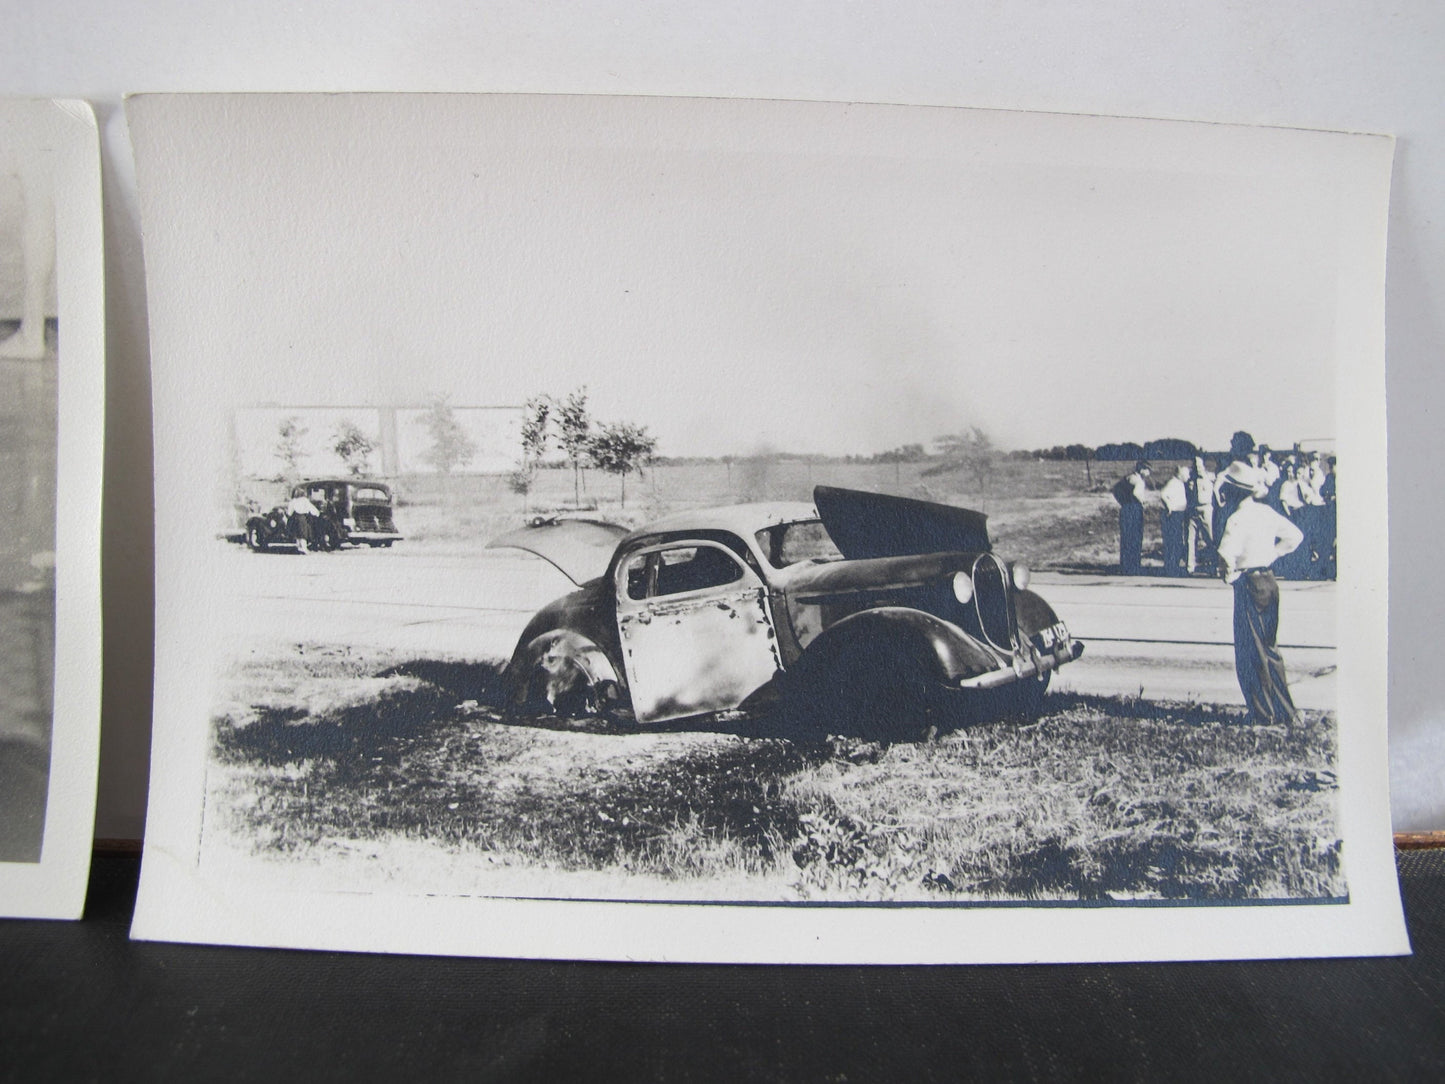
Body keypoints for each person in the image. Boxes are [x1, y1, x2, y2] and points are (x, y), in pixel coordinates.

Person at [1214, 462, 1305, 726]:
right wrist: (1273, 554)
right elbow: (1295, 537)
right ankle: (1285, 710)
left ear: (1231, 492)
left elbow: (1225, 553)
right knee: (1270, 648)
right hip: (1269, 580)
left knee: (1250, 651)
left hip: (1249, 583)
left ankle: (1263, 715)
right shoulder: (1266, 512)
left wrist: (1229, 576)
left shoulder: (1236, 519)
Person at [1113, 460, 1151, 575]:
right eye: (1148, 470)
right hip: (1134, 509)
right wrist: (1143, 502)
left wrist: (1123, 502)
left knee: (1126, 538)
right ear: (1142, 469)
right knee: (1135, 537)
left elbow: (1116, 490)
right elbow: (1136, 494)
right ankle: (1134, 566)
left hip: (1126, 509)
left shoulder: (1128, 477)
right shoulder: (1139, 481)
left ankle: (1125, 566)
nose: (1149, 473)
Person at [1158, 463, 1190, 576]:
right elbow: (1163, 494)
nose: (1188, 476)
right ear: (1180, 474)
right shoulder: (1173, 482)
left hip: (1178, 513)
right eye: (1186, 474)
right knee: (1173, 541)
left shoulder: (1179, 483)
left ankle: (1173, 565)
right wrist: (1169, 506)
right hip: (1173, 514)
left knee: (1176, 540)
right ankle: (1171, 567)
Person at [1187, 455, 1216, 574]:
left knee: (1210, 538)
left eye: (1199, 465)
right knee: (1190, 539)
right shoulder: (1190, 479)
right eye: (1195, 465)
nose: (1197, 467)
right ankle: (1190, 567)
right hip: (1193, 509)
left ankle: (1214, 565)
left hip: (1206, 508)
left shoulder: (1210, 477)